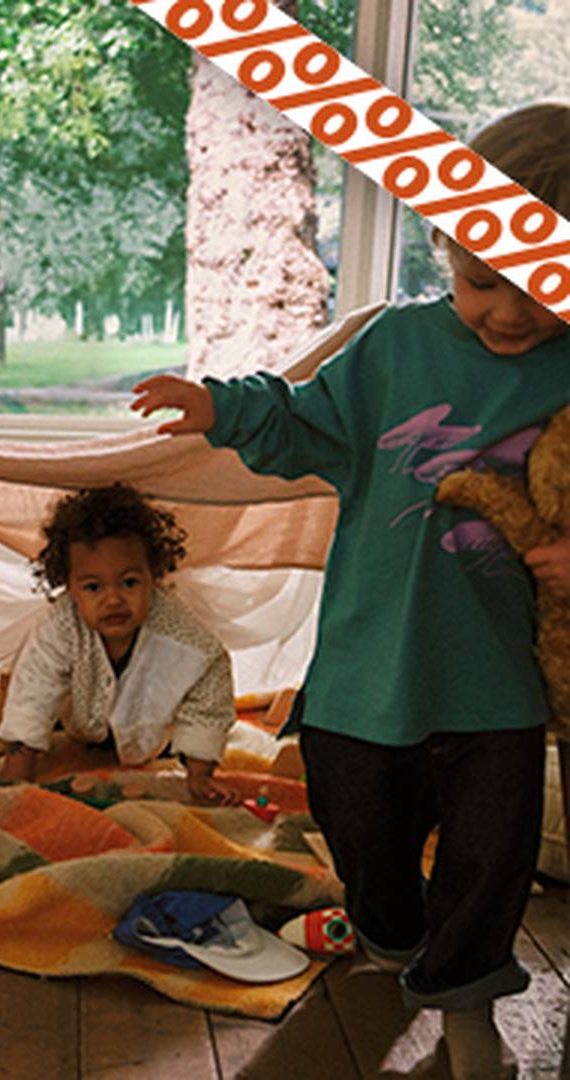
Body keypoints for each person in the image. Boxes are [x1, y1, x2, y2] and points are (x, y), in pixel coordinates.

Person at [130, 101, 570, 1080]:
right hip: (370, 669)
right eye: (478, 279)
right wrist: (220, 405)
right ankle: (388, 932)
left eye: (539, 286)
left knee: (492, 859)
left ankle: (465, 998)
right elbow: (302, 423)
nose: (506, 310)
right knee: (362, 828)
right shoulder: (394, 348)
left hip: (499, 684)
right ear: (450, 244)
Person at [0, 483, 238, 805]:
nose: (113, 600)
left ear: (154, 576)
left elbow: (208, 700)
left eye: (129, 582)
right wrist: (13, 784)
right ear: (70, 588)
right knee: (42, 724)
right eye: (93, 587)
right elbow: (32, 696)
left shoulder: (186, 638)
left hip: (152, 738)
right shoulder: (60, 625)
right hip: (82, 730)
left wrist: (200, 775)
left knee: (184, 728)